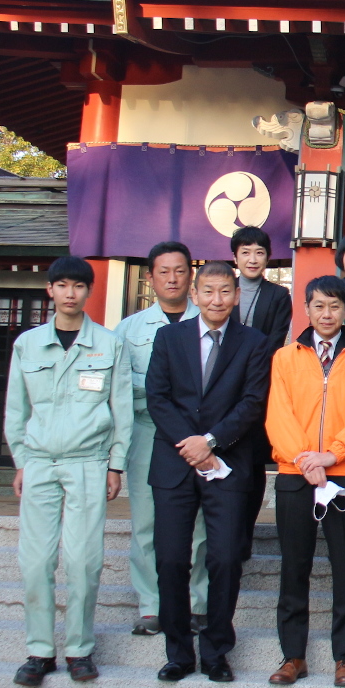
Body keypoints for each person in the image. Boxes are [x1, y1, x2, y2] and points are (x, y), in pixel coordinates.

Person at [5, 256, 133, 686]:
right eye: (62, 285)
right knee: (36, 561)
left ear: (88, 292)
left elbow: (122, 408)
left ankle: (79, 649)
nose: (71, 293)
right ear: (50, 290)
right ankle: (39, 651)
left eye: (79, 286)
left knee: (83, 561)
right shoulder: (28, 344)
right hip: (40, 463)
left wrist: (116, 464)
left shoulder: (108, 344)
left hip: (88, 464)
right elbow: (16, 408)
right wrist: (22, 461)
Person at [145, 261, 272, 683]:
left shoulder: (254, 342)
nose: (216, 300)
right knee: (170, 559)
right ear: (195, 295)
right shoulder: (169, 337)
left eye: (225, 292)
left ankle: (216, 650)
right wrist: (193, 446)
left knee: (224, 558)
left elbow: (253, 402)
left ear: (236, 296)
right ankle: (178, 652)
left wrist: (212, 441)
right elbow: (157, 397)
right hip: (175, 463)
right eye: (208, 291)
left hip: (229, 462)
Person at [264, 275, 345, 688]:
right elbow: (278, 415)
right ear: (308, 310)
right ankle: (292, 655)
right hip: (295, 475)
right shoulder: (286, 357)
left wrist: (332, 454)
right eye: (318, 306)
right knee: (294, 566)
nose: (327, 313)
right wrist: (305, 459)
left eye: (334, 306)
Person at [112, 241, 206, 637]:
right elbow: (118, 392)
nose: (172, 278)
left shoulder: (208, 320)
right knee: (148, 521)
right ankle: (151, 604)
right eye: (164, 271)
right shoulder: (129, 330)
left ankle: (197, 603)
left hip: (200, 439)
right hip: (147, 433)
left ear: (191, 276)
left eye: (180, 270)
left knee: (200, 523)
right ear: (150, 278)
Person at [231, 226, 292, 560]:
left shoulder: (278, 296)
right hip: (221, 393)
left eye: (259, 252)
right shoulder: (223, 290)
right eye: (245, 252)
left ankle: (245, 532)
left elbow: (274, 340)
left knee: (253, 463)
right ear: (235, 257)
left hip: (257, 387)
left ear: (268, 257)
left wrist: (242, 368)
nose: (252, 259)